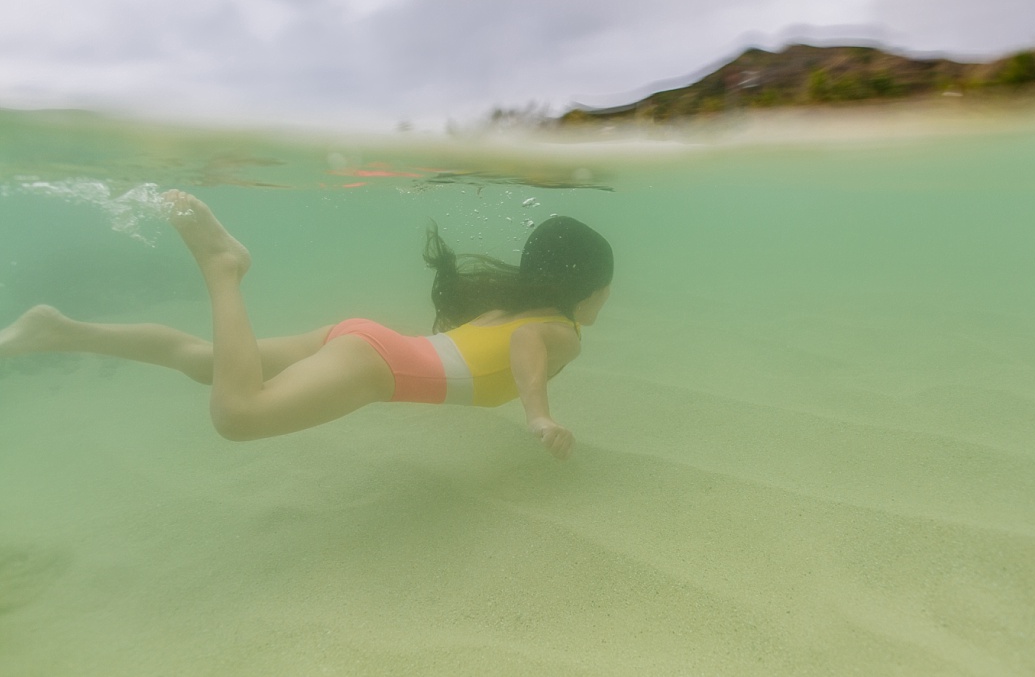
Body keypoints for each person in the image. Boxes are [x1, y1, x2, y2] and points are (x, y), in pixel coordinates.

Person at [0, 191, 613, 459]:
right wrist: (537, 413)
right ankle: (223, 269)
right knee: (237, 414)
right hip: (375, 367)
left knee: (203, 364)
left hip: (363, 343)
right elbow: (530, 348)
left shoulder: (509, 305)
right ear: (587, 289)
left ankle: (58, 331)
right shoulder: (560, 329)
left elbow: (496, 345)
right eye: (606, 291)